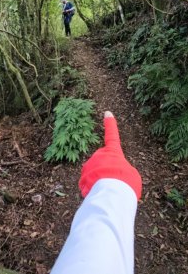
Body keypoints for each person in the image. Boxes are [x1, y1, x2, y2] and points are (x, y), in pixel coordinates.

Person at [51, 111, 142, 274]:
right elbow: (113, 140)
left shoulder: (92, 189)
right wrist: (109, 118)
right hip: (133, 182)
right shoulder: (114, 156)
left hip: (131, 193)